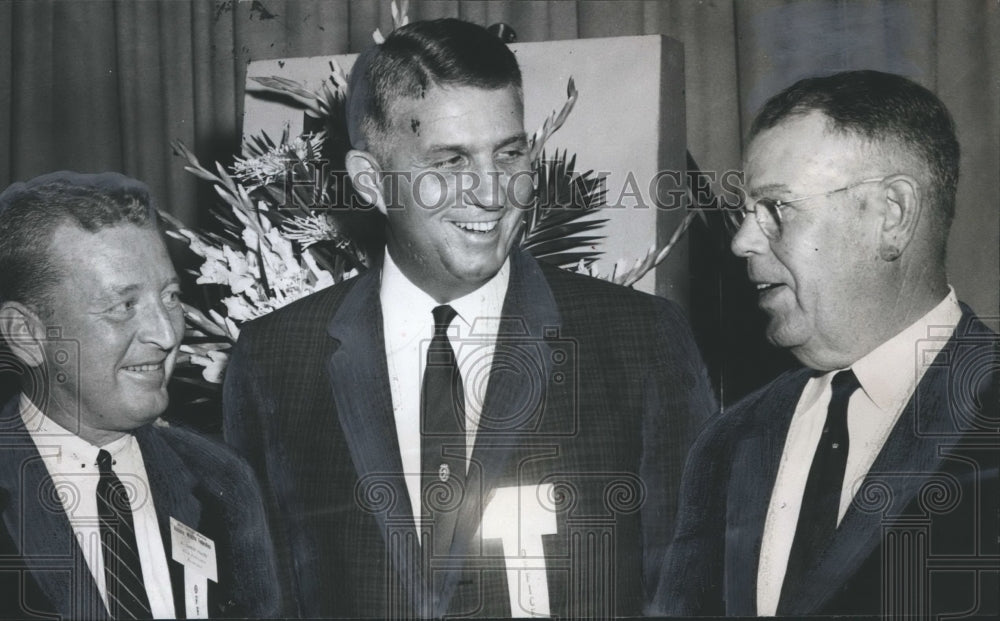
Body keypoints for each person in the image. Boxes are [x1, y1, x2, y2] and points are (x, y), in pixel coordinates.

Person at [223, 18, 715, 618]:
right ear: (371, 183)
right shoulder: (275, 359)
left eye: (509, 154)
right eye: (450, 162)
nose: (490, 192)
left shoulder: (641, 342)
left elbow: (692, 595)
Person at [651, 70, 999, 617]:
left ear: (892, 215)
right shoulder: (727, 443)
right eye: (746, 213)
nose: (742, 241)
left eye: (776, 209)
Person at [0, 171, 282, 619]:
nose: (166, 333)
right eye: (123, 306)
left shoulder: (222, 480)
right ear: (27, 335)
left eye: (170, 297)